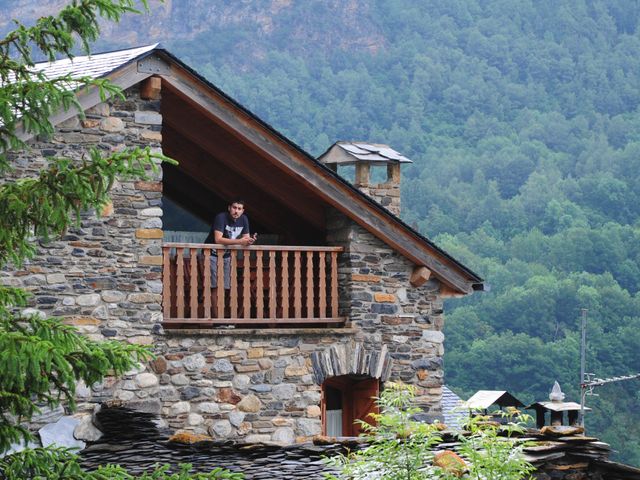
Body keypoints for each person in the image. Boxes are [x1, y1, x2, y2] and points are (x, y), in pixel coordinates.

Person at [204, 199, 257, 289]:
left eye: (239, 209)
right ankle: (214, 304)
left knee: (226, 287)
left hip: (227, 255)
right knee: (214, 287)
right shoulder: (221, 217)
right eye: (234, 208)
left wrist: (250, 241)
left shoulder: (244, 219)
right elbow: (218, 239)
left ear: (242, 211)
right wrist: (240, 241)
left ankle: (222, 304)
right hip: (211, 253)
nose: (236, 211)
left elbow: (246, 239)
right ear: (229, 208)